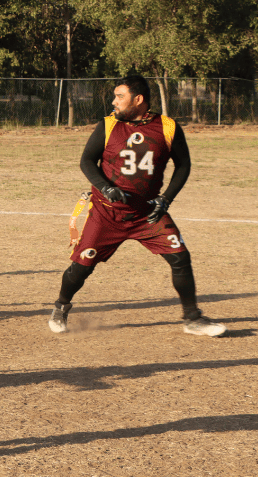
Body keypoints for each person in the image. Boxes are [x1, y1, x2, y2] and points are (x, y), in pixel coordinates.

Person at [51, 75, 226, 338]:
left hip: (147, 214)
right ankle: (61, 307)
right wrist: (105, 188)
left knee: (180, 257)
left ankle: (192, 319)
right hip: (107, 213)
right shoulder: (108, 125)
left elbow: (183, 165)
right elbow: (87, 161)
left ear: (138, 99)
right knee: (82, 267)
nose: (114, 102)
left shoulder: (167, 127)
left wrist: (166, 198)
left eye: (120, 96)